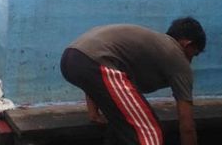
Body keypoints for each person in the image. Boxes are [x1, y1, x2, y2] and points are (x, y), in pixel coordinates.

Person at [61, 17, 206, 145]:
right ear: (188, 44)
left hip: (70, 59)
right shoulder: (177, 57)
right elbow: (187, 125)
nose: (191, 61)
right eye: (195, 54)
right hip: (92, 63)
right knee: (150, 132)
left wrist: (94, 113)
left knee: (122, 127)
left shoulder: (153, 46)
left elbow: (97, 79)